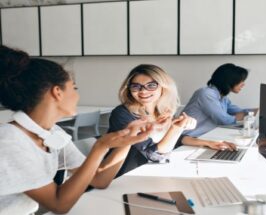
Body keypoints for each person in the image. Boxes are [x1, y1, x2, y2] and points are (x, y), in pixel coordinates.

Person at [0, 45, 152, 214]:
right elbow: (59, 204)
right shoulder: (9, 142)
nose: (77, 95)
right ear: (58, 92)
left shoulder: (53, 132)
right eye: (74, 88)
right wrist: (100, 146)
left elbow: (100, 179)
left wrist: (128, 140)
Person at [107, 64, 196, 177]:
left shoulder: (162, 111)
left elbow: (174, 139)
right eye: (136, 86)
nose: (143, 91)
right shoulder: (121, 114)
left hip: (150, 171)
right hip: (126, 175)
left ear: (164, 87)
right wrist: (176, 128)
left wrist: (206, 143)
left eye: (151, 85)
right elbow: (153, 154)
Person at [179, 63, 253, 151]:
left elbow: (239, 111)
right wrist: (249, 115)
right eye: (241, 80)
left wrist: (258, 111)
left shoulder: (222, 97)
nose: (243, 84)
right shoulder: (206, 93)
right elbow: (224, 120)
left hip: (203, 138)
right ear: (229, 80)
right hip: (186, 140)